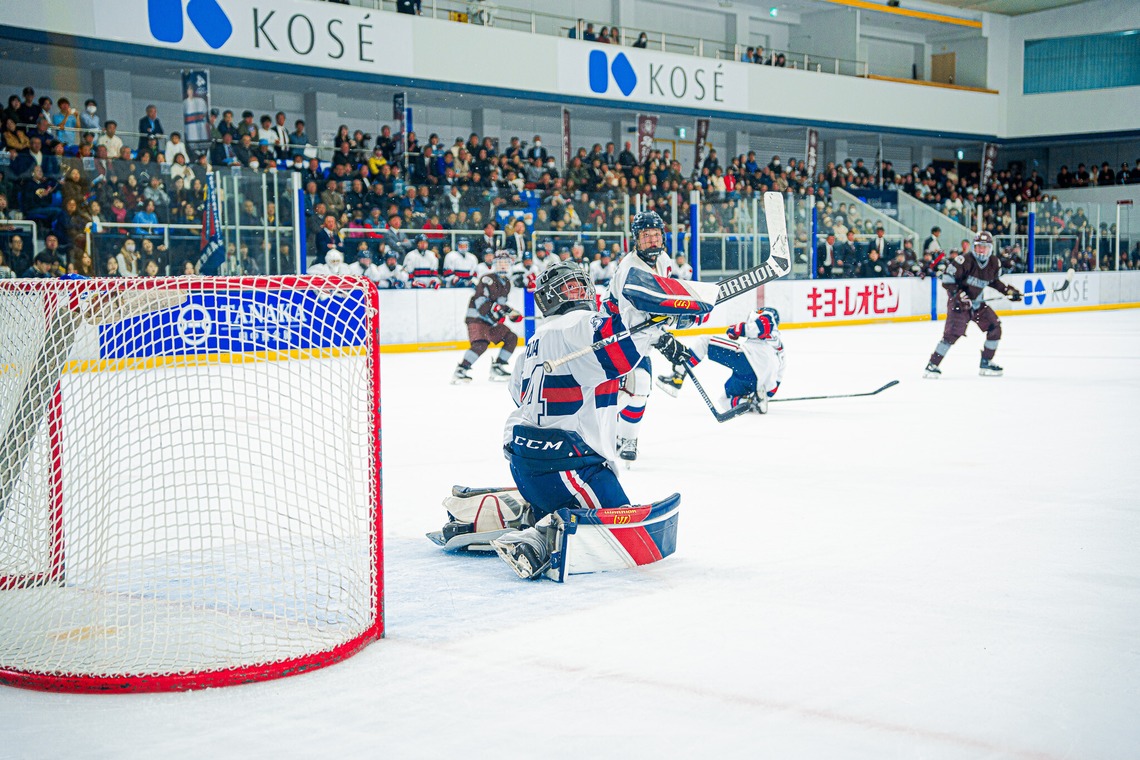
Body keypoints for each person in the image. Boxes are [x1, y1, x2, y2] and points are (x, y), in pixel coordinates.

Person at [484, 262, 701, 580]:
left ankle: (539, 515)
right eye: (569, 286)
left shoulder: (534, 342)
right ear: (549, 297)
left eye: (580, 284)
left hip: (524, 463)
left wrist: (652, 332)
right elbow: (616, 346)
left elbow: (520, 394)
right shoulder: (577, 323)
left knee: (574, 510)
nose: (580, 291)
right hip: (570, 467)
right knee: (626, 533)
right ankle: (538, 536)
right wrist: (657, 316)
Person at [608, 210, 673, 463]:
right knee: (632, 386)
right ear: (636, 239)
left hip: (642, 333)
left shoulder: (664, 261)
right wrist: (661, 337)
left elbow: (662, 302)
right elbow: (631, 319)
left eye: (656, 235)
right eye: (646, 236)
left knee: (641, 386)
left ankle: (628, 437)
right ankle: (610, 431)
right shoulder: (630, 269)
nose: (653, 241)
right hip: (617, 332)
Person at [924, 231, 1021, 379]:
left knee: (994, 327)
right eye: (978, 246)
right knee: (951, 335)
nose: (981, 250)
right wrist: (959, 295)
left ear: (990, 248)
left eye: (984, 247)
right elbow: (947, 280)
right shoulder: (964, 260)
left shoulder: (994, 263)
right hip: (959, 304)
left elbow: (993, 281)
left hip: (977, 304)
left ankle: (986, 362)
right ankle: (932, 365)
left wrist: (1008, 291)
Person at [657, 308, 785, 413]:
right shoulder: (780, 349)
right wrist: (768, 396)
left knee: (705, 341)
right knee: (725, 400)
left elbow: (762, 327)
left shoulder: (768, 317)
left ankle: (678, 375)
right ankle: (751, 402)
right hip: (761, 380)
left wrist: (737, 329)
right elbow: (779, 378)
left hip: (751, 359)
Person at [452, 251, 521, 384]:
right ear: (494, 264)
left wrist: (511, 313)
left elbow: (500, 305)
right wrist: (498, 312)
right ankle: (461, 369)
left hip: (490, 321)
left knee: (511, 338)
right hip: (477, 319)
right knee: (481, 344)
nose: (503, 266)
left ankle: (498, 366)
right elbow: (481, 303)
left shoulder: (507, 283)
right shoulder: (486, 279)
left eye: (506, 263)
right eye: (500, 263)